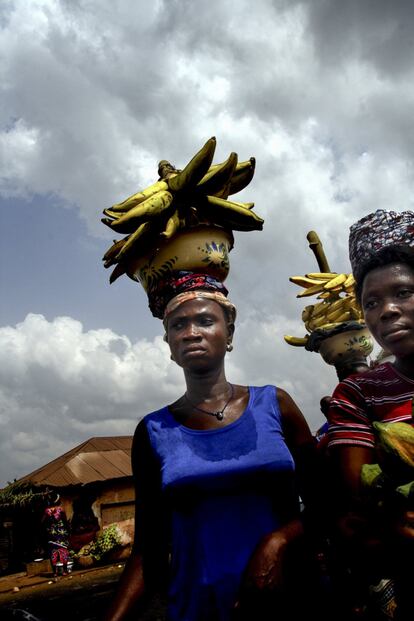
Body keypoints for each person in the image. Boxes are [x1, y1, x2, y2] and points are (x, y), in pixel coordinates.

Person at [104, 271, 322, 621]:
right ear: (170, 344)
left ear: (229, 333)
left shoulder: (275, 405)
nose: (191, 333)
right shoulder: (153, 431)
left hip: (290, 601)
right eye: (178, 325)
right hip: (200, 608)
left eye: (205, 321)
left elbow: (329, 503)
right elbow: (149, 553)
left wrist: (277, 542)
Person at [327, 209, 414, 620]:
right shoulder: (358, 394)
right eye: (372, 302)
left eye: (402, 293)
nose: (386, 311)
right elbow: (355, 513)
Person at [42, 493, 70, 577]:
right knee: (63, 552)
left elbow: (42, 523)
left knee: (53, 553)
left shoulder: (47, 511)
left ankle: (55, 572)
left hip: (52, 535)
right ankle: (64, 571)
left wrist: (48, 529)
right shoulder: (61, 510)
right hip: (62, 535)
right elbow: (65, 522)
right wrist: (68, 531)